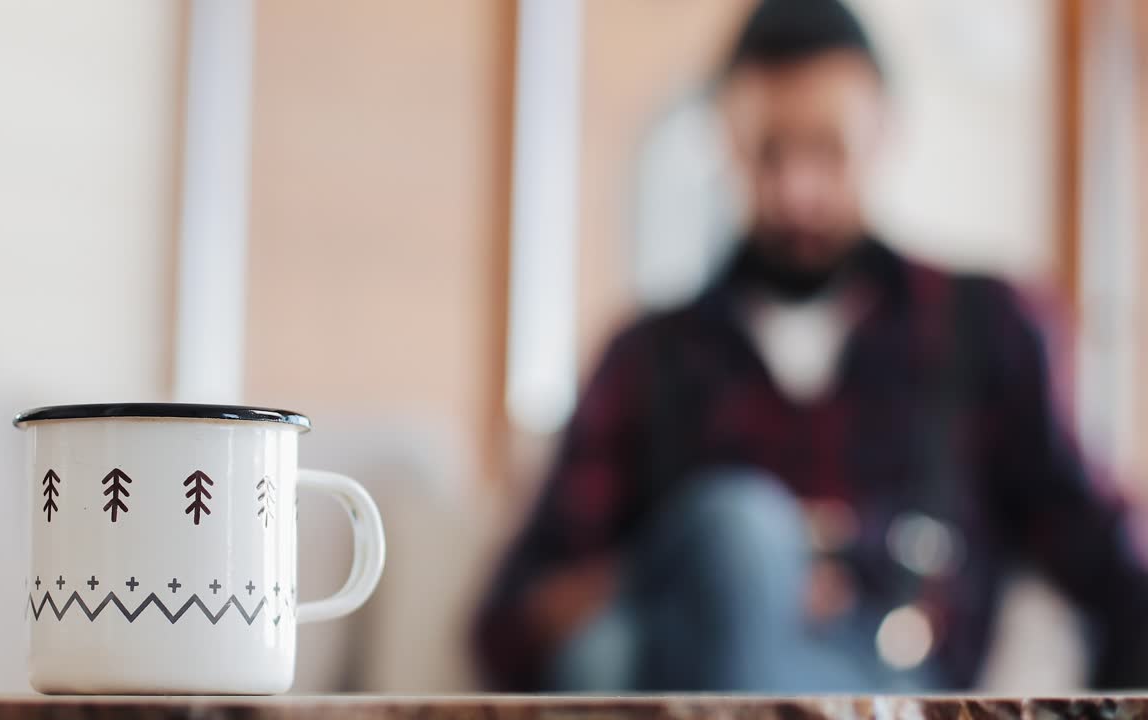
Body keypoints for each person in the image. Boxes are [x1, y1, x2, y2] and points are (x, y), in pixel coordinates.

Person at [473, 0, 1148, 693]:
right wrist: (724, 575)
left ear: (885, 134)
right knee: (725, 546)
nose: (798, 191)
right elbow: (511, 619)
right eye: (770, 153)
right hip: (666, 674)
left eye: (828, 151)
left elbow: (1103, 551)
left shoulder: (982, 326)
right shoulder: (648, 356)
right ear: (726, 141)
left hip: (883, 685)